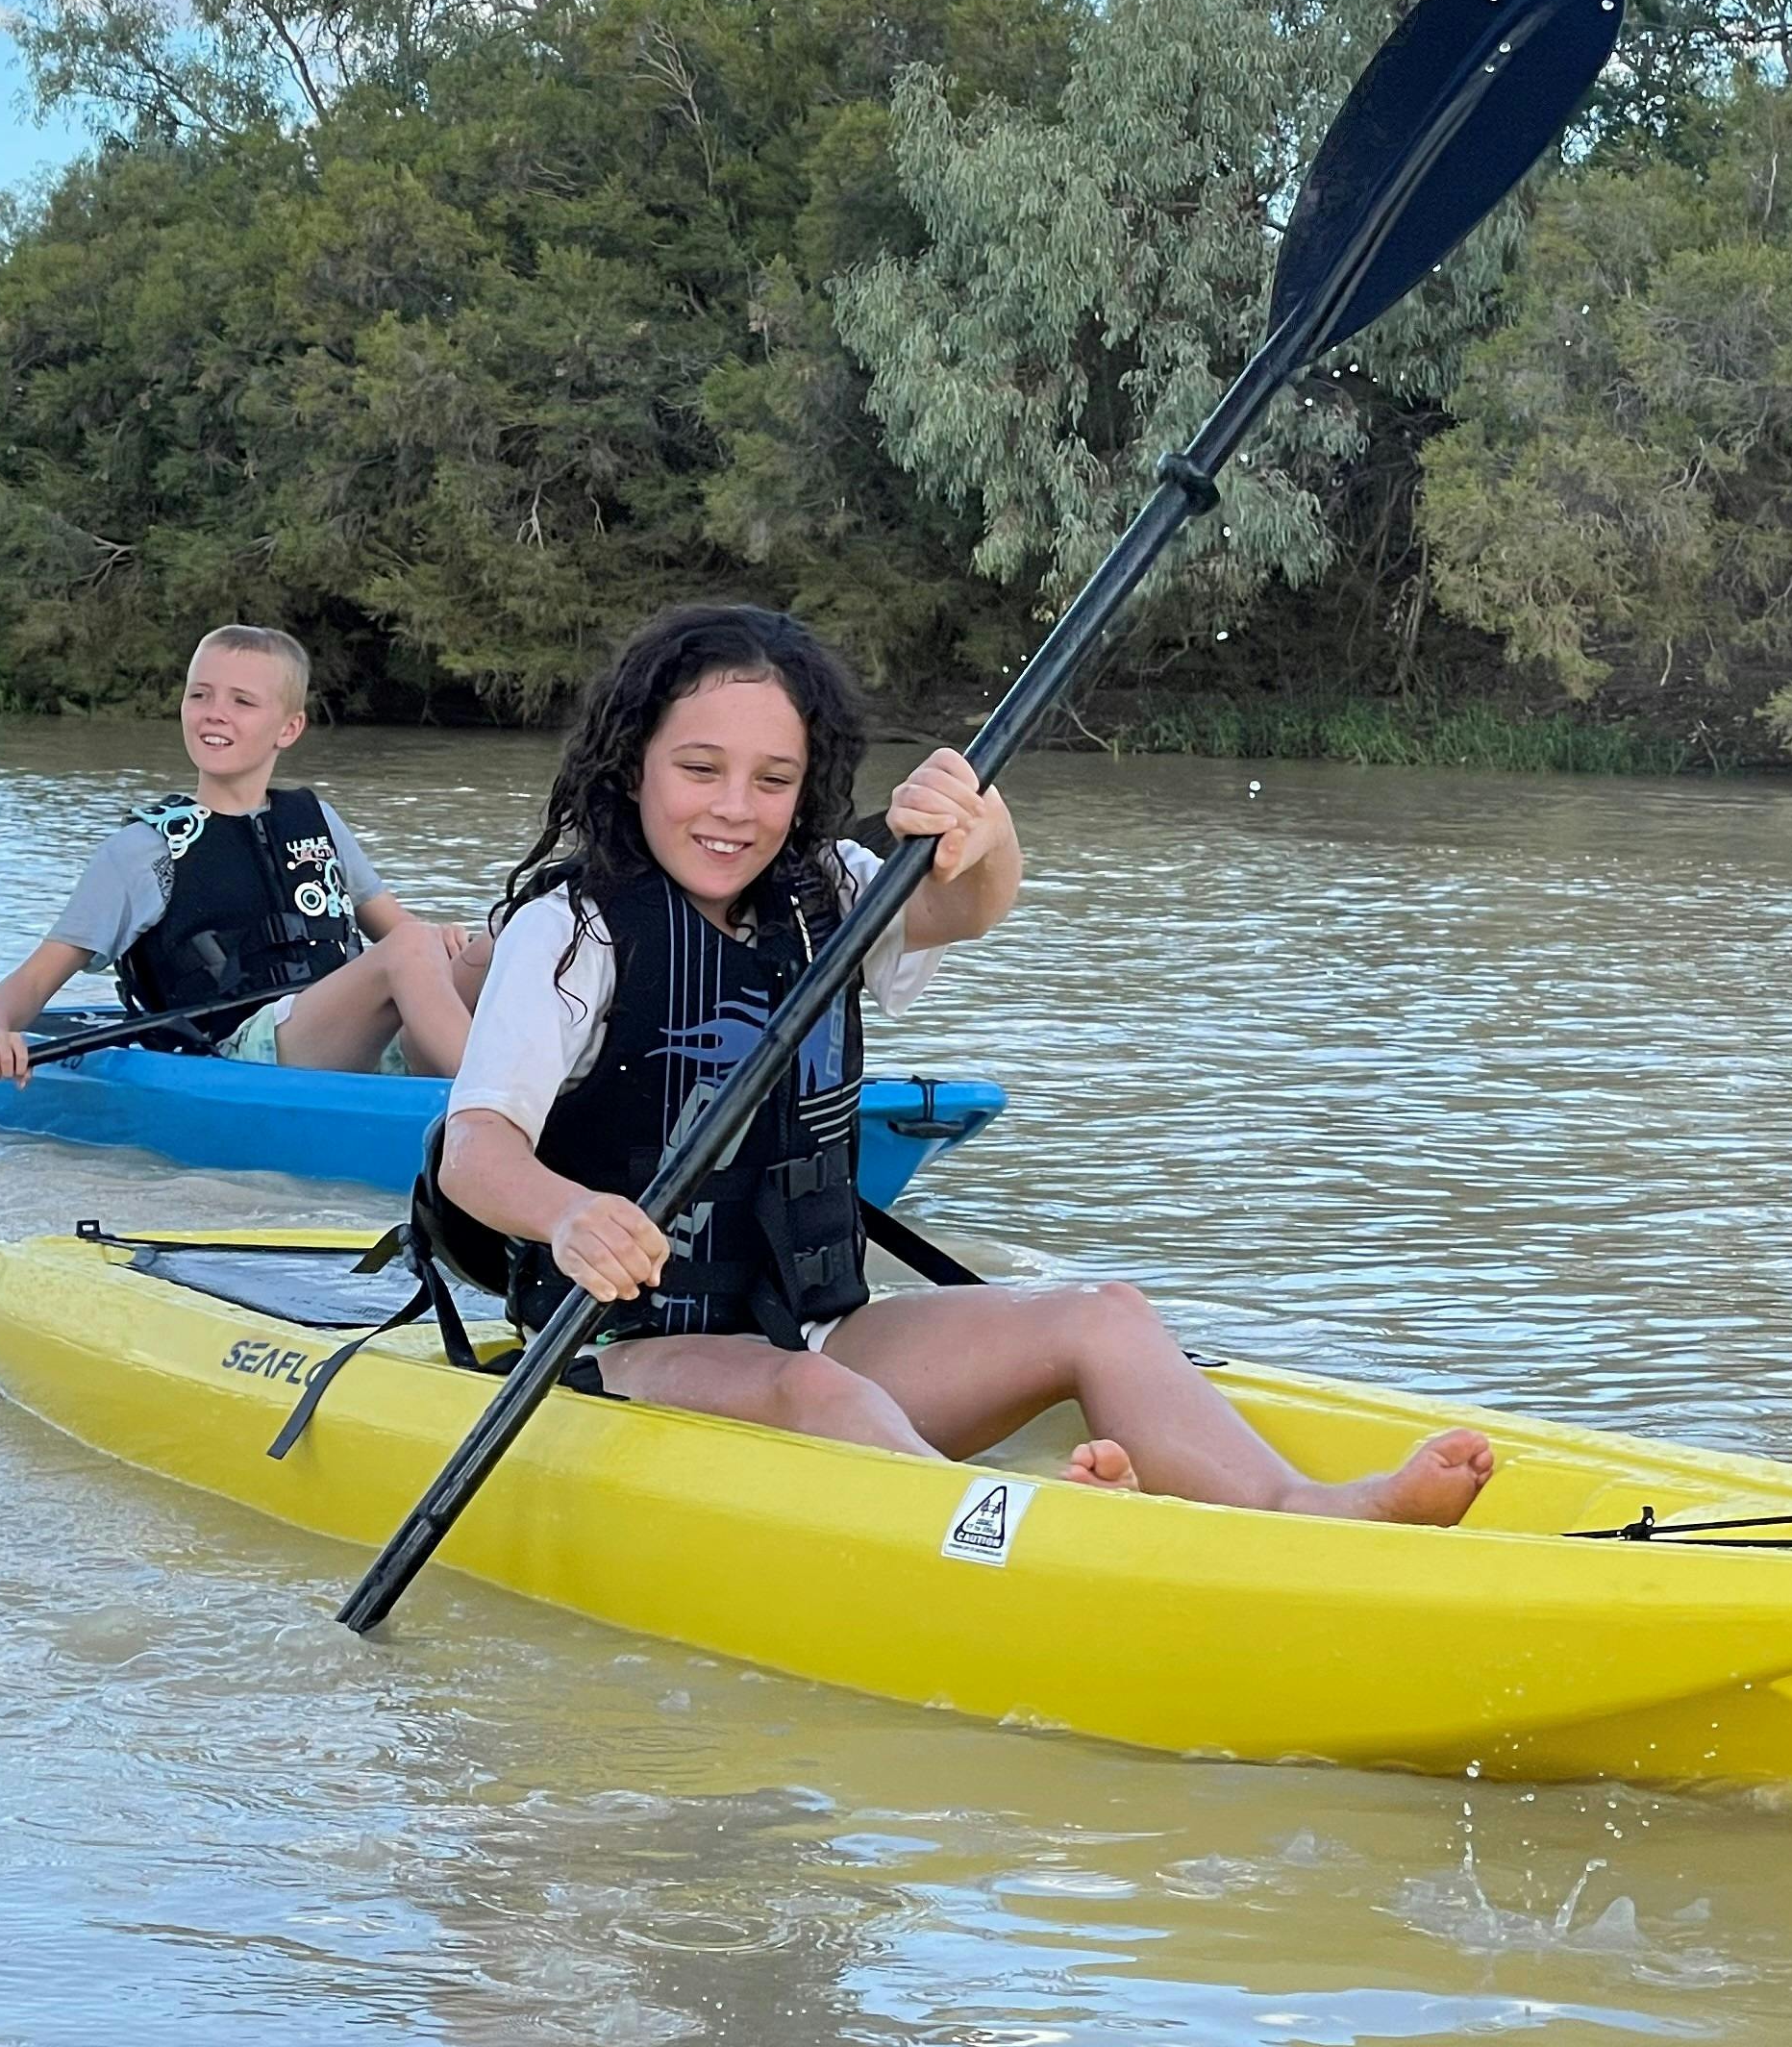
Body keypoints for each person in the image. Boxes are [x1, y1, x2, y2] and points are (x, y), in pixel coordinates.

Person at [437, 603, 1496, 1525]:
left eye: (773, 780)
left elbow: (965, 907)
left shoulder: (835, 889)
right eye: (699, 770)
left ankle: (1305, 1507)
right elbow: (474, 1155)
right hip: (627, 1353)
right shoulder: (572, 932)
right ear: (633, 768)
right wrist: (571, 1215)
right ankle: (1015, 1538)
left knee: (1102, 1314)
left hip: (821, 1327)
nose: (733, 809)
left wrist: (984, 838)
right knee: (828, 1404)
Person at [0, 625, 490, 1083]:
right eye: (200, 696)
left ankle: (531, 1086)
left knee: (498, 944)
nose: (215, 715)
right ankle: (492, 1113)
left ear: (289, 728)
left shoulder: (317, 820)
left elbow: (400, 932)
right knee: (412, 948)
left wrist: (454, 946)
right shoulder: (143, 852)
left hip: (347, 1032)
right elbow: (37, 977)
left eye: (242, 702)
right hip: (243, 1051)